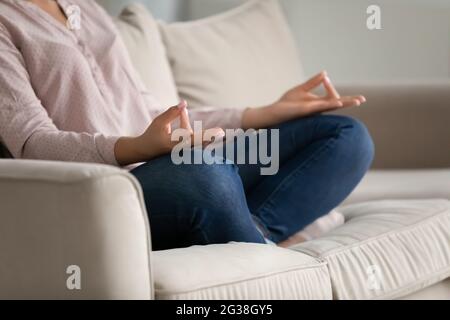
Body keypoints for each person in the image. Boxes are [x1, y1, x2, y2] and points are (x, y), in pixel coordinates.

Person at [0, 0, 374, 250]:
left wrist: (264, 113)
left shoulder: (85, 7)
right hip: (108, 189)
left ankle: (251, 232)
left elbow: (151, 111)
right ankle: (268, 259)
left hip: (172, 165)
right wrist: (137, 148)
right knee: (205, 172)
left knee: (344, 136)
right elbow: (33, 143)